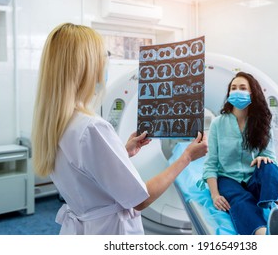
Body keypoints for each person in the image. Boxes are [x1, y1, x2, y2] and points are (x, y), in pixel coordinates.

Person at [31, 23, 208, 235]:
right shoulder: (92, 128)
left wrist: (122, 152)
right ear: (86, 67)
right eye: (103, 59)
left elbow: (84, 171)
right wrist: (186, 157)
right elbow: (140, 200)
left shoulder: (56, 123)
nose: (105, 67)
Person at [202, 71, 278, 235]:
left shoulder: (262, 123)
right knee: (240, 200)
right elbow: (211, 163)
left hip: (254, 177)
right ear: (229, 93)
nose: (237, 91)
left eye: (242, 88)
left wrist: (264, 158)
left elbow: (270, 157)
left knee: (269, 166)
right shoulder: (218, 124)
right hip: (228, 178)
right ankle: (262, 235)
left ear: (252, 93)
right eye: (233, 88)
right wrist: (215, 195)